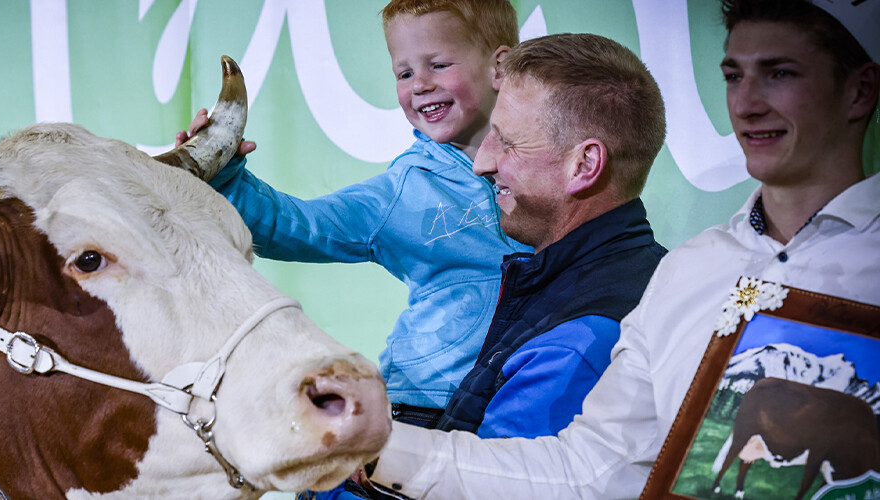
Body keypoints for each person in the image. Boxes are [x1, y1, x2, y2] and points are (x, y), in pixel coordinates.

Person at [363, 0, 880, 498]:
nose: (746, 104)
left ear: (859, 90)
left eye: (780, 73)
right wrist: (366, 445)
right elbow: (589, 470)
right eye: (733, 76)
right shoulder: (688, 269)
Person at [180, 0, 531, 428]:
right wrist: (228, 180)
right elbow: (300, 227)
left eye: (438, 65)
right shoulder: (405, 190)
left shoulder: (551, 162)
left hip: (525, 399)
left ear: (501, 65)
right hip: (426, 408)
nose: (419, 85)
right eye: (404, 73)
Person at [433, 32, 667, 440]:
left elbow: (486, 484)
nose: (482, 163)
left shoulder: (580, 341)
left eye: (507, 142)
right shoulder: (608, 282)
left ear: (584, 165)